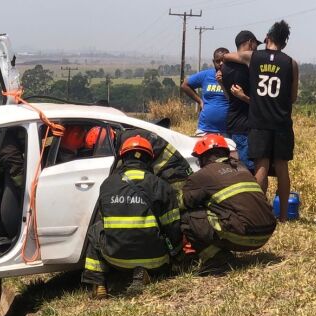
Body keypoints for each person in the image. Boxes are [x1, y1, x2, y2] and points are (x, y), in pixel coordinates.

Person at [82, 134, 182, 299]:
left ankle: (98, 283)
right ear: (149, 160)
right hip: (156, 259)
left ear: (123, 158)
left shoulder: (108, 184)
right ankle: (143, 270)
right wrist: (176, 257)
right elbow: (173, 226)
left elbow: (105, 220)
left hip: (116, 260)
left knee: (96, 229)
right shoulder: (160, 185)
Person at [223, 20, 299, 220]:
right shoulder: (291, 63)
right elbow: (292, 98)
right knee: (282, 168)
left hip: (259, 122)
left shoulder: (254, 57)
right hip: (281, 123)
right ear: (284, 42)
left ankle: (255, 213)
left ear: (268, 38)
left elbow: (229, 55)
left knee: (261, 167)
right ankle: (282, 216)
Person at [181, 134, 277, 274]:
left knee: (187, 217)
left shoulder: (203, 175)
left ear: (204, 157)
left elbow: (182, 203)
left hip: (244, 236)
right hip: (266, 233)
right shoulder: (242, 168)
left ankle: (217, 259)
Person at [220, 30, 261, 173]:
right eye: (256, 44)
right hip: (245, 125)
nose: (256, 49)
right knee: (247, 170)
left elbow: (228, 96)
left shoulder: (224, 68)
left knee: (232, 169)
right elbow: (258, 102)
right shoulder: (250, 68)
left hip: (231, 123)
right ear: (250, 43)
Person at [181, 48, 230, 135]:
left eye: (224, 61)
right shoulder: (206, 75)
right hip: (204, 129)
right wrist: (200, 101)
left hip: (227, 131)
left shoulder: (234, 76)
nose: (221, 63)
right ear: (213, 61)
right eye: (218, 61)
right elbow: (185, 85)